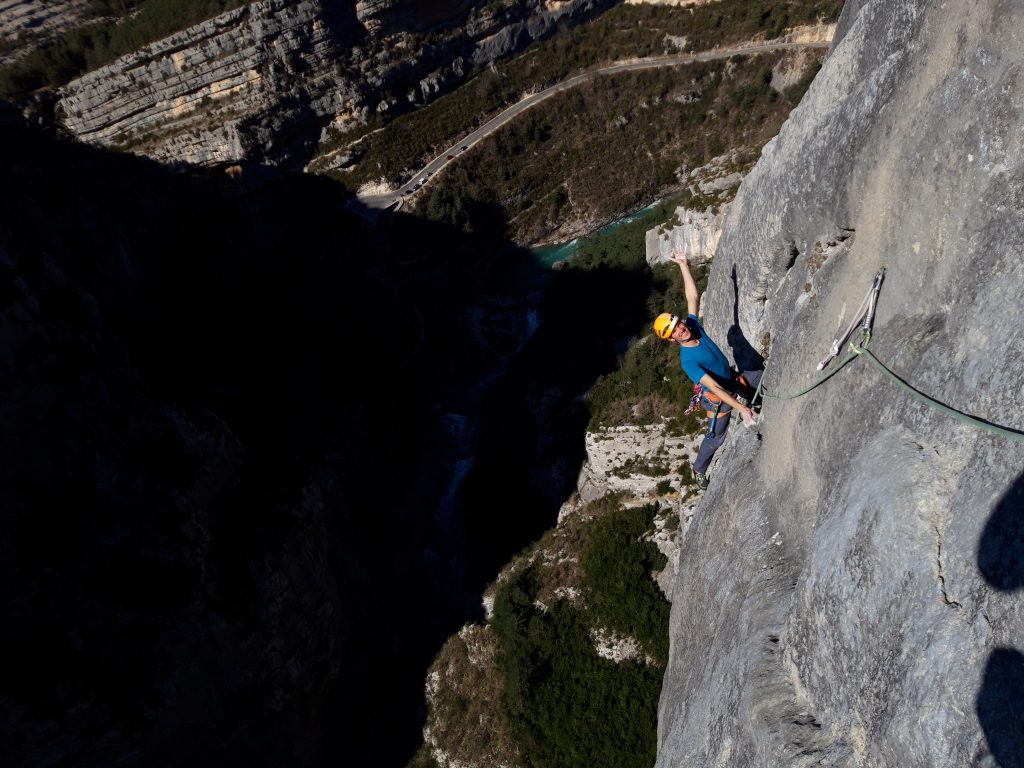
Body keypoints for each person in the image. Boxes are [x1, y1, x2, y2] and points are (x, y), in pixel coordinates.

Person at [652, 250, 761, 490]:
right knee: (716, 438)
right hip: (717, 399)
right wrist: (742, 409)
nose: (682, 328)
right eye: (676, 331)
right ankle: (699, 469)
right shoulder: (688, 361)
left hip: (730, 380)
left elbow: (692, 298)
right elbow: (713, 387)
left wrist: (683, 265)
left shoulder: (693, 326)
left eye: (679, 323)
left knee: (758, 375)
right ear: (672, 340)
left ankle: (753, 400)